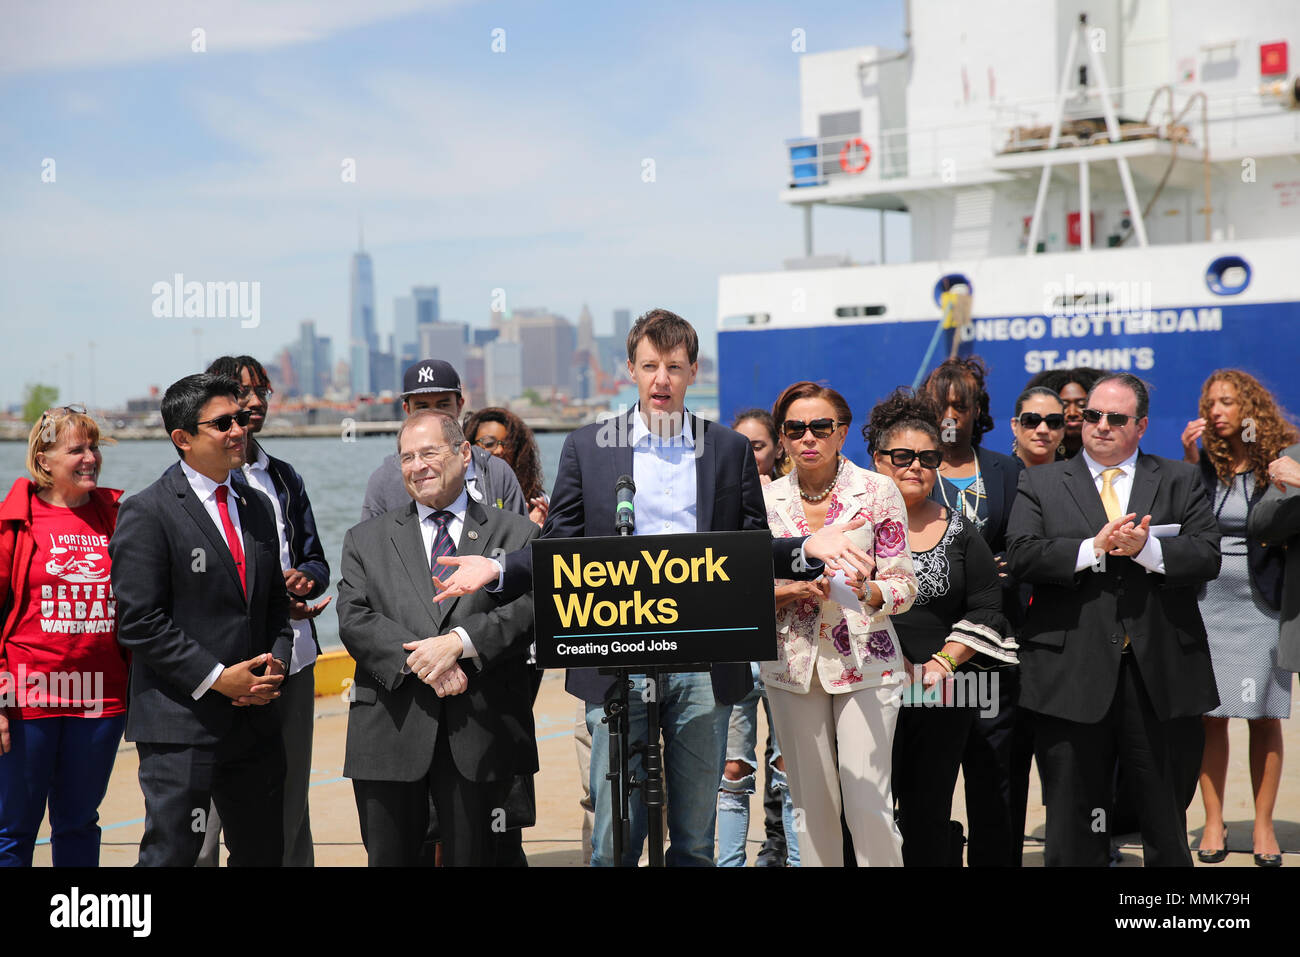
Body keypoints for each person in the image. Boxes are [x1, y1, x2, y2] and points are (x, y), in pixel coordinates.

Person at [427, 310, 874, 866]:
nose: (662, 379)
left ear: (692, 372)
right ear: (631, 371)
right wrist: (498, 569)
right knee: (615, 835)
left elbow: (751, 550)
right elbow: (559, 548)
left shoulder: (728, 448)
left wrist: (807, 549)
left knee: (693, 835)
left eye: (675, 367)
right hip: (614, 653)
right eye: (650, 366)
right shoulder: (588, 448)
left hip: (704, 661)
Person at [1006, 372, 1221, 866]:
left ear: (1141, 425)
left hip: (1159, 672)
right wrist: (1091, 548)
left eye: (1116, 418)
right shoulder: (1038, 481)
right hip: (1071, 673)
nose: (1101, 426)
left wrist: (1148, 550)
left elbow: (1207, 556)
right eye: (1092, 416)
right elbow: (1020, 556)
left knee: (1165, 812)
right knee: (1073, 813)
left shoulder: (1179, 478)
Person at [336, 410, 539, 866]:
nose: (417, 466)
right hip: (392, 732)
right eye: (406, 457)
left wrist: (461, 642)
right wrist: (425, 660)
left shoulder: (517, 533)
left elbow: (532, 608)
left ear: (464, 454)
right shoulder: (365, 539)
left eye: (429, 452)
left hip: (482, 732)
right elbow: (353, 618)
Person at [109, 374, 294, 866]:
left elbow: (274, 602)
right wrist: (218, 679)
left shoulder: (256, 505)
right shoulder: (146, 512)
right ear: (183, 438)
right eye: (224, 423)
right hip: (180, 725)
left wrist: (275, 663)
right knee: (173, 856)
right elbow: (139, 621)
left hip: (255, 722)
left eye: (242, 418)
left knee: (263, 855)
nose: (240, 429)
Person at [761, 381, 917, 867]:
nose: (808, 438)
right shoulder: (763, 502)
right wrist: (795, 589)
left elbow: (904, 585)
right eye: (795, 429)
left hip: (866, 660)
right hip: (791, 664)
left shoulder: (877, 491)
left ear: (841, 432)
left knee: (868, 799)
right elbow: (742, 589)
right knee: (810, 805)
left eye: (820, 427)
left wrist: (867, 589)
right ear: (782, 437)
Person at [865, 388, 1018, 866]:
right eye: (903, 456)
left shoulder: (961, 529)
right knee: (865, 806)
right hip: (866, 686)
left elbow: (989, 607)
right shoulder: (852, 528)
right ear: (878, 460)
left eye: (927, 457)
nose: (915, 466)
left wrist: (942, 661)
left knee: (928, 810)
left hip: (940, 689)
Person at [192, 356, 331, 868]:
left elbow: (315, 557)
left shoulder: (284, 478)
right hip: (218, 669)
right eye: (239, 392)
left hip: (289, 660)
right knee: (203, 810)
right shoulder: (189, 488)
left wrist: (304, 580)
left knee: (289, 799)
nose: (252, 403)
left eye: (261, 391)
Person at [0, 407, 127, 867]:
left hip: (100, 699)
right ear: (44, 459)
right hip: (25, 699)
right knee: (13, 829)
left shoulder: (119, 516)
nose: (90, 457)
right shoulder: (13, 521)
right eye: (77, 449)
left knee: (78, 823)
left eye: (93, 447)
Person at [1180, 370, 1296, 866]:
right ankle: (1212, 821)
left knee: (1265, 716)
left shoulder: (1284, 459)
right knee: (1212, 717)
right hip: (1207, 602)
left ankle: (1265, 826)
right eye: (1210, 403)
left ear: (1250, 409)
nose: (1217, 412)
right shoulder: (1204, 462)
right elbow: (1187, 525)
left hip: (1263, 602)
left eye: (1226, 402)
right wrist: (1189, 464)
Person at [920, 356, 1025, 866]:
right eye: (941, 406)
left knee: (994, 781)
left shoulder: (1007, 470)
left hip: (989, 649)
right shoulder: (908, 468)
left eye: (961, 406)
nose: (951, 416)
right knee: (926, 786)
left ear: (977, 410)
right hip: (931, 650)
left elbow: (1025, 544)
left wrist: (1002, 570)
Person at [717, 408, 799, 867]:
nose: (749, 454)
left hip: (789, 646)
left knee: (790, 769)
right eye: (741, 446)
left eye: (758, 446)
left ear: (776, 449)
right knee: (732, 769)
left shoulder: (791, 500)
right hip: (737, 648)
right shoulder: (718, 500)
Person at [362, 360, 527, 521]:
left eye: (443, 406)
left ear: (460, 406)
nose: (433, 416)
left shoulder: (495, 473)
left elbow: (519, 541)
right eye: (422, 407)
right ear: (407, 409)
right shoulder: (384, 481)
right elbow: (371, 545)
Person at [463, 407, 549, 526]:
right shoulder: (463, 494)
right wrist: (524, 527)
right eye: (489, 443)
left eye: (508, 444)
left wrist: (547, 528)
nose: (500, 450)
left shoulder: (538, 498)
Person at [1025, 367, 1104, 459]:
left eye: (1082, 405)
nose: (1072, 413)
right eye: (1064, 406)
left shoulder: (1107, 454)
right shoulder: (1039, 455)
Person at [1011, 387, 1067, 468]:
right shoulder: (999, 477)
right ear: (1014, 426)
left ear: (1063, 429)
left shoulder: (1080, 478)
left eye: (1053, 421)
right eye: (1031, 420)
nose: (1043, 430)